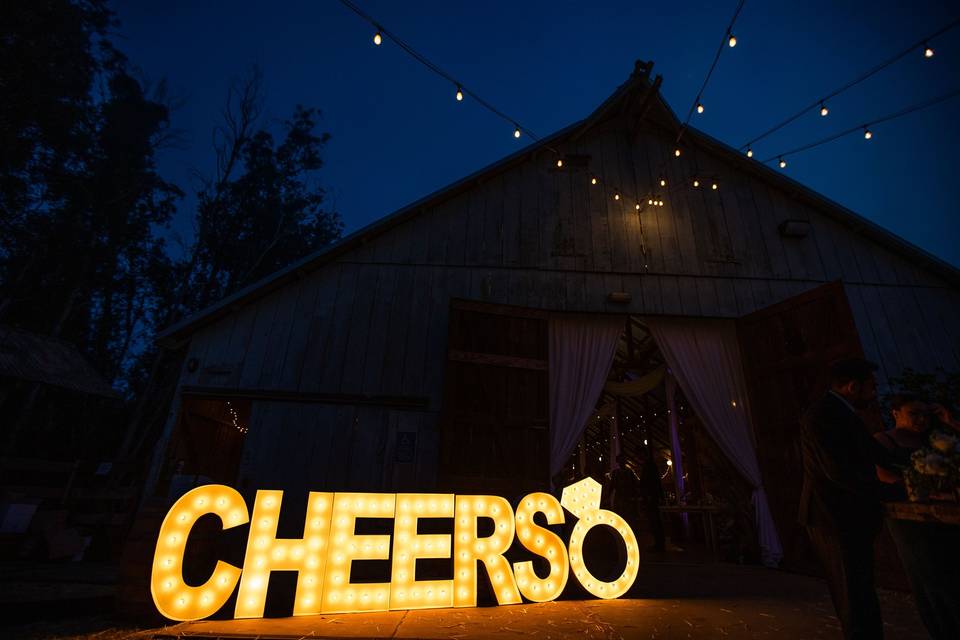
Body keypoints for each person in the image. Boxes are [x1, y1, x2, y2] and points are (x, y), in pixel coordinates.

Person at [798, 357, 894, 640]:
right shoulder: (822, 415)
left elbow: (874, 454)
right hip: (833, 515)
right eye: (871, 387)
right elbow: (837, 470)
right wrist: (889, 490)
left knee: (860, 588)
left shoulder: (842, 413)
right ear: (853, 387)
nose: (875, 393)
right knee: (852, 592)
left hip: (845, 514)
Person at [875, 394, 960, 639]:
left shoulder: (937, 440)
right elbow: (883, 475)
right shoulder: (884, 441)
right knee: (929, 576)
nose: (921, 420)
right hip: (909, 519)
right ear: (895, 412)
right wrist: (921, 486)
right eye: (914, 413)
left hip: (944, 515)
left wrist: (950, 421)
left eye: (925, 414)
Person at [638, 446, 666, 552]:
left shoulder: (648, 465)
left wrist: (648, 495)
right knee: (655, 520)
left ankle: (659, 544)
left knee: (655, 520)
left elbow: (651, 482)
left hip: (651, 497)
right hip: (652, 496)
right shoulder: (650, 465)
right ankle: (659, 543)